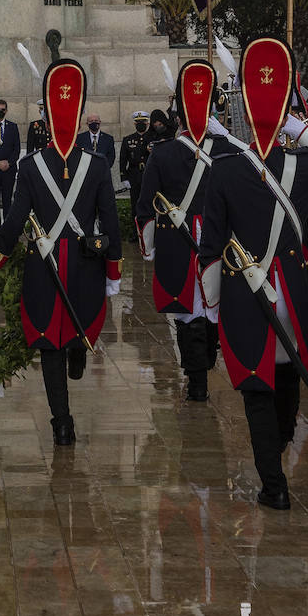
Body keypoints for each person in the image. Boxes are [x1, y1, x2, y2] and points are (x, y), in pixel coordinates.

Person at [198, 36, 308, 511]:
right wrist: (298, 128)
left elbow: (210, 247)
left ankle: (273, 480)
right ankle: (277, 464)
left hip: (247, 296)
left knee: (257, 387)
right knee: (285, 379)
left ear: (244, 109)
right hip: (290, 291)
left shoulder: (223, 170)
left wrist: (212, 304)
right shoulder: (303, 165)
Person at [0, 58, 121, 445]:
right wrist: (113, 272)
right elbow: (110, 223)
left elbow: (14, 220)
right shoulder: (96, 166)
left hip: (43, 268)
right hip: (86, 266)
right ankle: (78, 348)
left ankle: (61, 422)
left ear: (45, 121)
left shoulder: (31, 166)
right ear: (80, 118)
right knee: (74, 327)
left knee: (49, 343)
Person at [136, 61, 238, 401]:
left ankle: (197, 380)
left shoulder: (162, 153)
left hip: (179, 241)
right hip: (217, 239)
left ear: (177, 115)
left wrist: (150, 245)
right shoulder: (227, 149)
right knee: (209, 304)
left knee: (189, 311)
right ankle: (203, 366)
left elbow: (145, 204)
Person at [120, 112, 151, 240]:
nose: (141, 125)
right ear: (134, 124)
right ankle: (136, 233)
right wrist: (124, 178)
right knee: (135, 205)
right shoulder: (128, 139)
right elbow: (122, 160)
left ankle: (149, 233)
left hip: (149, 175)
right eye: (138, 123)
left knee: (149, 204)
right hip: (134, 175)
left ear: (147, 123)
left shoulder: (153, 138)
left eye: (143, 123)